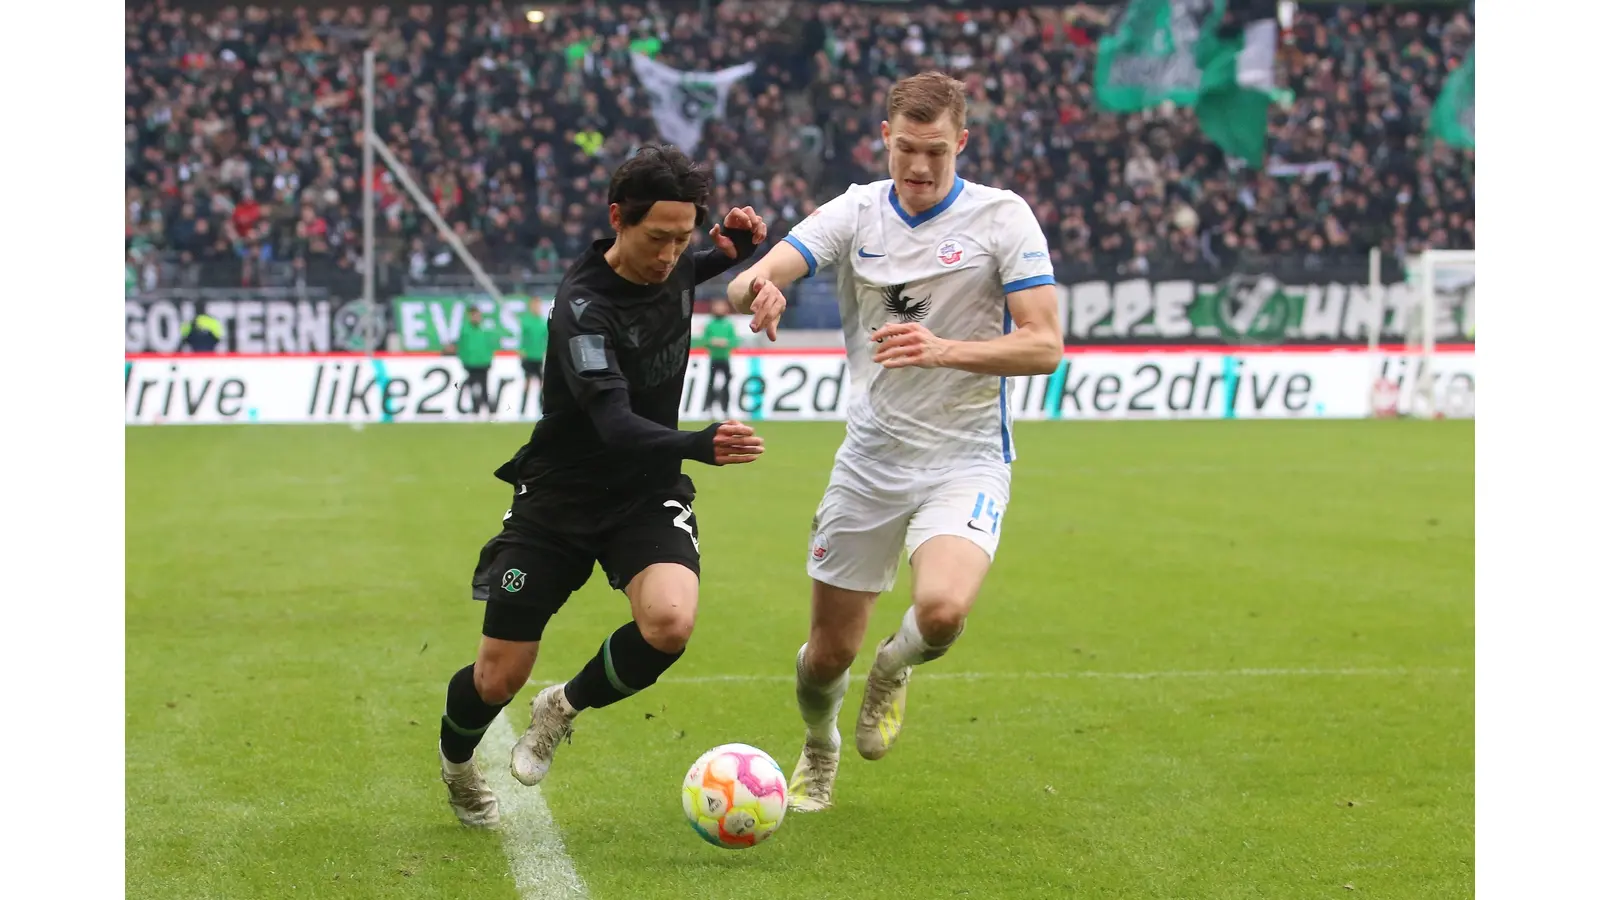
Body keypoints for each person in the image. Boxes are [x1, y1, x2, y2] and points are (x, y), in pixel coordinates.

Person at [725, 72, 1064, 812]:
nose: (917, 167)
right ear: (885, 137)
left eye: (935, 152)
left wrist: (944, 349)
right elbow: (745, 282)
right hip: (872, 462)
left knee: (941, 612)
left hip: (966, 457)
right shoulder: (855, 212)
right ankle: (820, 744)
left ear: (962, 144)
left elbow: (1043, 346)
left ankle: (894, 668)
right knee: (824, 658)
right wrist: (762, 289)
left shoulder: (1002, 219)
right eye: (905, 149)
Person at [436, 144, 781, 829]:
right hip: (559, 499)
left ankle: (561, 708)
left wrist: (737, 248)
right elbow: (615, 423)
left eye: (683, 238)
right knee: (495, 677)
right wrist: (698, 443)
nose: (670, 255)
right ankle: (456, 765)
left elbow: (695, 271)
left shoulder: (675, 261)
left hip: (645, 491)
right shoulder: (582, 309)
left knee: (671, 624)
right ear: (617, 218)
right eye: (658, 239)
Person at [449, 306, 500, 419]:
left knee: (484, 386)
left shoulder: (484, 329)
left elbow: (489, 346)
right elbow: (462, 348)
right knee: (473, 387)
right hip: (471, 363)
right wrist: (464, 361)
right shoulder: (465, 330)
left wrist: (489, 359)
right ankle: (475, 409)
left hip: (483, 363)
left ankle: (488, 410)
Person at [695, 297, 740, 419]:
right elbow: (702, 340)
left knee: (726, 385)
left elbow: (735, 341)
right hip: (714, 358)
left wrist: (726, 342)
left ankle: (725, 409)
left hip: (725, 358)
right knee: (711, 383)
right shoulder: (709, 324)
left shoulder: (729, 324)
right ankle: (708, 408)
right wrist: (712, 341)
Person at [518, 300, 549, 417]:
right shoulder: (526, 322)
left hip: (538, 356)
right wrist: (522, 349)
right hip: (528, 356)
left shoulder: (542, 322)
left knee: (542, 383)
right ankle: (522, 409)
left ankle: (541, 407)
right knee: (527, 382)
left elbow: (547, 338)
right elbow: (523, 338)